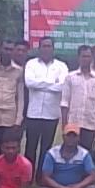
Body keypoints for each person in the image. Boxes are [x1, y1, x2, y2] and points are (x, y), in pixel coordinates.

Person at [24, 37, 69, 178]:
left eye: (49, 46)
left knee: (46, 147)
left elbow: (62, 86)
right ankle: (28, 176)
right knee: (30, 146)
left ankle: (41, 176)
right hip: (33, 113)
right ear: (39, 48)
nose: (46, 49)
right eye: (44, 46)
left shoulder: (61, 66)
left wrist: (40, 84)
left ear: (53, 49)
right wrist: (52, 83)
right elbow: (29, 83)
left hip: (51, 114)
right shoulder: (31, 64)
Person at [36, 124, 95, 188]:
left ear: (78, 138)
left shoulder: (84, 154)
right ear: (63, 137)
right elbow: (45, 177)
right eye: (68, 136)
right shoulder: (52, 153)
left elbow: (93, 175)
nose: (71, 139)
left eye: (74, 136)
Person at [61, 45, 95, 151]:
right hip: (73, 122)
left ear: (92, 58)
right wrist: (64, 123)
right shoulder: (70, 77)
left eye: (88, 56)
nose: (86, 59)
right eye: (83, 56)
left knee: (87, 152)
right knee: (71, 151)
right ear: (79, 58)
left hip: (90, 123)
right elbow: (64, 102)